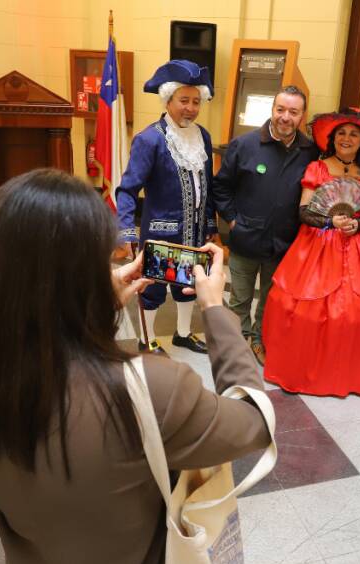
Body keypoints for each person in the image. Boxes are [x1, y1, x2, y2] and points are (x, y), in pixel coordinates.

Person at [0, 169, 272, 564]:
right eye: (100, 260)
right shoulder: (147, 389)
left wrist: (89, 309)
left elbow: (42, 360)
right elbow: (252, 422)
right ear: (75, 280)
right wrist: (216, 310)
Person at [262, 110, 360, 396]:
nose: (347, 138)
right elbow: (304, 212)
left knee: (359, 312)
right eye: (341, 133)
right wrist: (331, 222)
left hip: (357, 246)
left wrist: (358, 224)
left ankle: (345, 373)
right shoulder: (317, 168)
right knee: (301, 309)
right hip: (317, 243)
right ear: (332, 139)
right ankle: (302, 370)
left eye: (354, 134)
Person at [212, 85, 319, 365]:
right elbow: (221, 187)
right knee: (239, 299)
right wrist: (232, 219)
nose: (285, 117)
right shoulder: (244, 145)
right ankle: (238, 344)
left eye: (293, 112)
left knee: (271, 301)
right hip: (245, 238)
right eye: (280, 109)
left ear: (302, 115)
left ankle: (259, 340)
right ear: (272, 109)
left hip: (284, 243)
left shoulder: (310, 151)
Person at [117, 59, 217, 355]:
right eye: (184, 100)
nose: (191, 108)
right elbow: (127, 189)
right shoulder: (149, 139)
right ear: (168, 100)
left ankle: (183, 334)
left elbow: (207, 186)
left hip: (195, 232)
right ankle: (146, 340)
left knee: (189, 285)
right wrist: (126, 231)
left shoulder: (203, 136)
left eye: (196, 101)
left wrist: (211, 223)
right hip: (162, 232)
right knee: (152, 288)